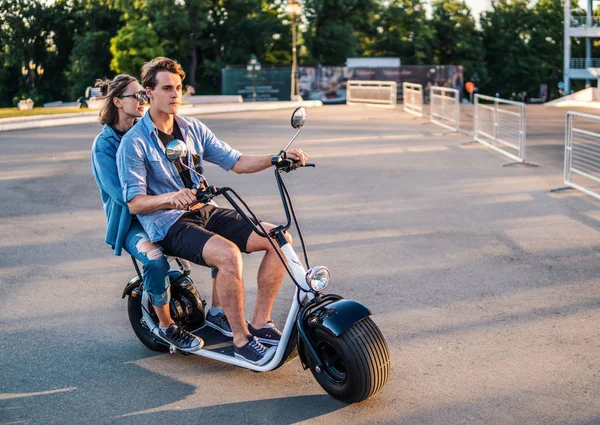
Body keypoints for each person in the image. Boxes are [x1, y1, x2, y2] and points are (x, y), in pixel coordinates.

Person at [116, 57, 308, 366]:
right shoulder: (134, 143)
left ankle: (260, 322)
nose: (175, 95)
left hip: (204, 208)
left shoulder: (191, 128)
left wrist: (277, 158)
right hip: (168, 222)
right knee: (228, 255)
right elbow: (135, 203)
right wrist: (170, 198)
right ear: (148, 93)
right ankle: (242, 339)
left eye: (178, 88)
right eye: (167, 88)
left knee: (278, 238)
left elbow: (235, 161)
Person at [91, 74, 208, 352]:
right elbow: (124, 196)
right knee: (155, 261)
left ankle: (219, 315)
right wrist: (169, 198)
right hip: (131, 222)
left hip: (161, 212)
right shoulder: (104, 145)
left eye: (144, 96)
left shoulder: (146, 131)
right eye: (137, 96)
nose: (143, 101)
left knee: (216, 240)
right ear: (118, 101)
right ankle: (167, 326)